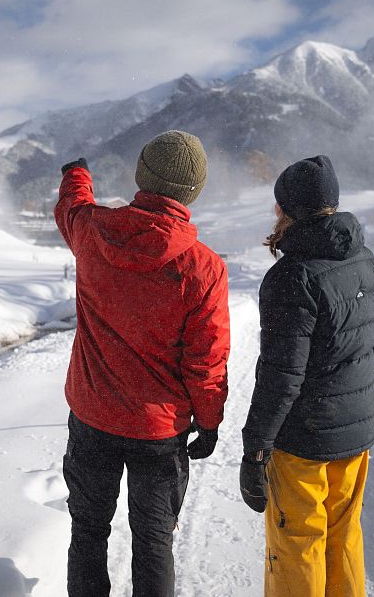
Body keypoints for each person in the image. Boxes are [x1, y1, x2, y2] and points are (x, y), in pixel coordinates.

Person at [56, 130, 231, 597]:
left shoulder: (92, 231)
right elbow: (207, 359)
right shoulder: (204, 267)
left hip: (93, 417)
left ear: (141, 177)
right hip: (159, 431)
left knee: (88, 531)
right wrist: (209, 421)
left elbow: (70, 207)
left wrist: (77, 173)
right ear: (192, 192)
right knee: (153, 543)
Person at [239, 155, 374, 597]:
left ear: (288, 210)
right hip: (355, 434)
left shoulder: (292, 277)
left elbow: (282, 378)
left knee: (298, 547)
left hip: (303, 442)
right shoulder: (366, 261)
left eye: (277, 205)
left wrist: (255, 449)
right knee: (344, 539)